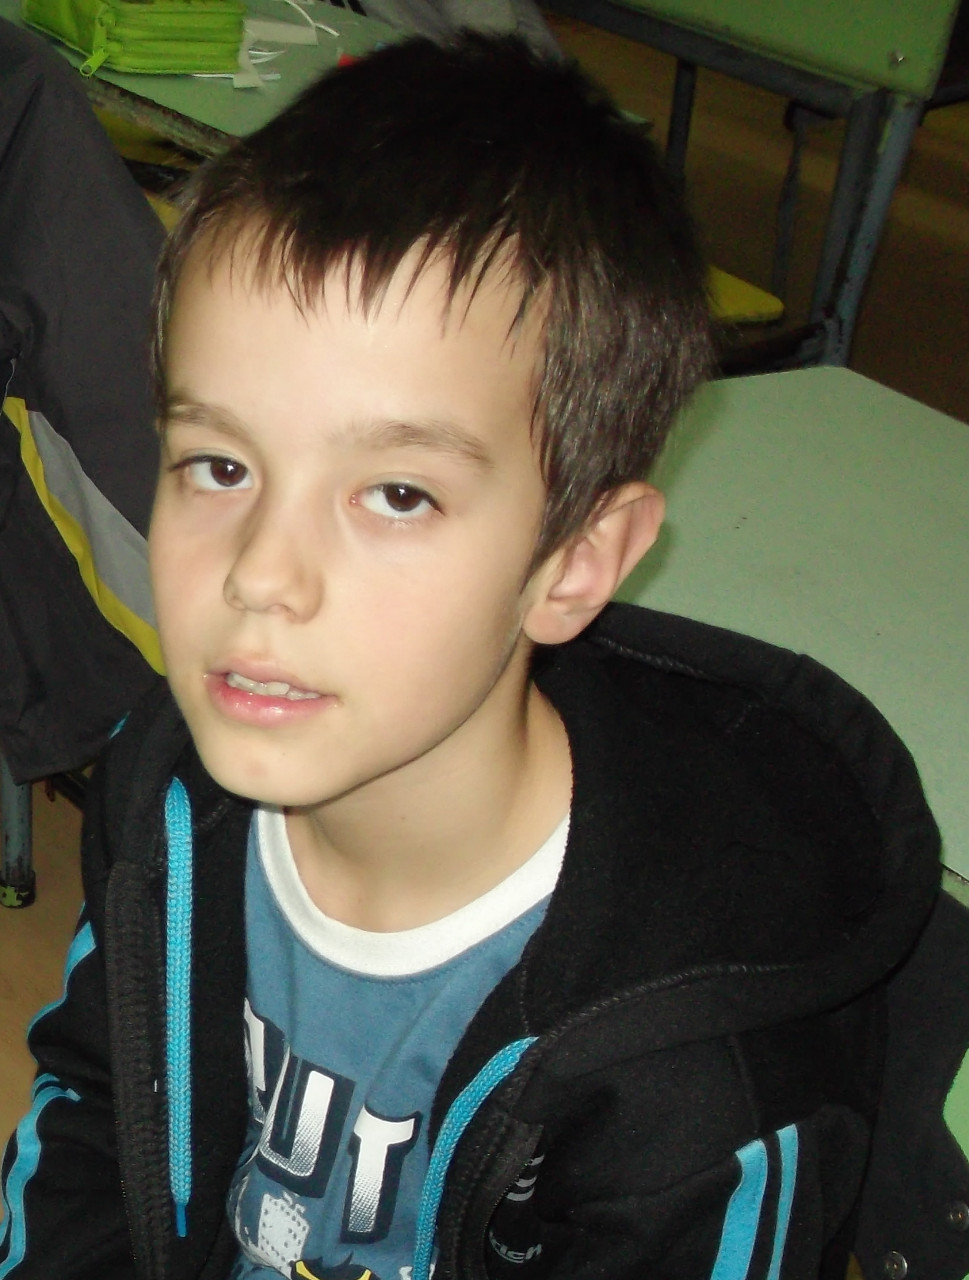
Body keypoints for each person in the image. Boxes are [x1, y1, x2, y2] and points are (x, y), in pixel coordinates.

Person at [0, 32, 942, 1280]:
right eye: (218, 466)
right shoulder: (165, 792)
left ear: (576, 561)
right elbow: (94, 1114)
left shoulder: (691, 1072)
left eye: (397, 493)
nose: (260, 574)